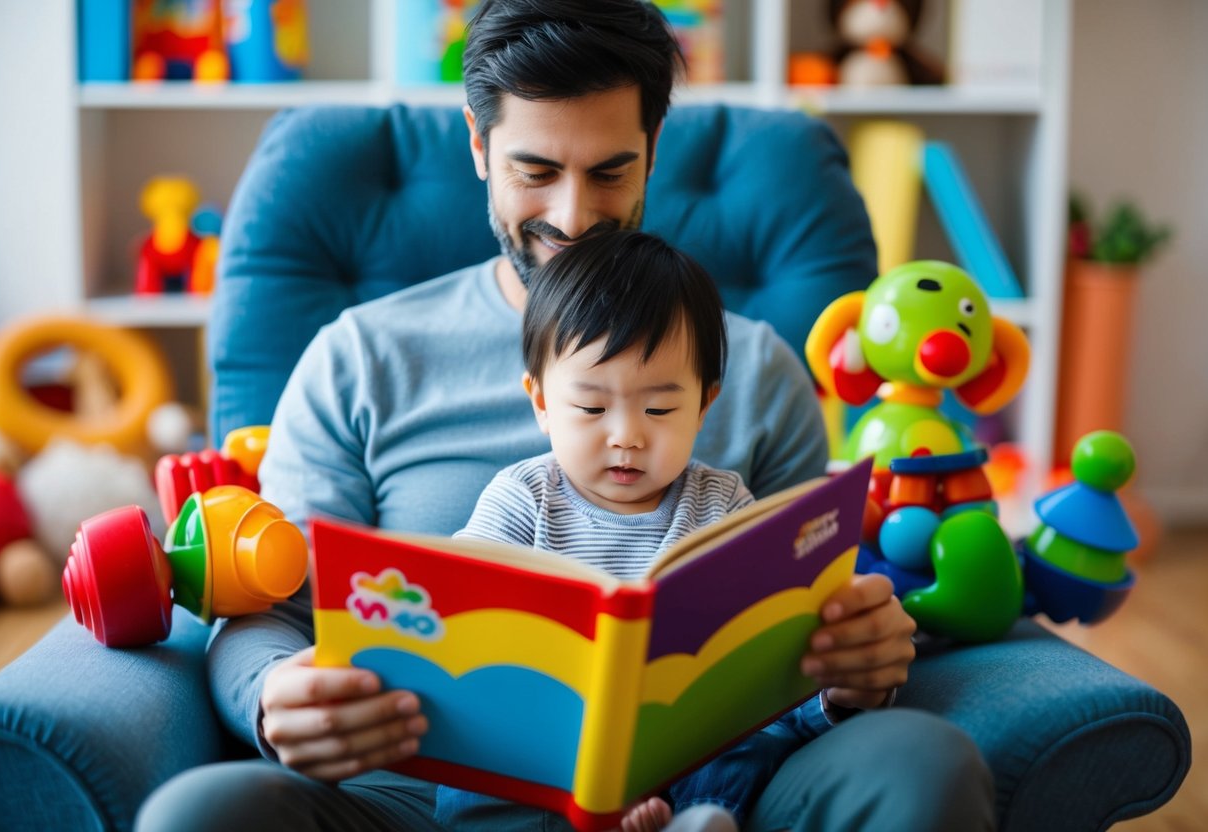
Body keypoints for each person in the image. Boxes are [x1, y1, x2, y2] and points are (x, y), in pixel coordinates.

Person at [136, 2, 994, 831]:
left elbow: (807, 617)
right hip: (422, 796)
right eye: (535, 171)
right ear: (479, 147)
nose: (574, 218)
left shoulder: (758, 367)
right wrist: (275, 695)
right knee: (201, 814)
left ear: (653, 152)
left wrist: (857, 668)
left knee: (921, 760)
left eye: (610, 170)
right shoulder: (362, 357)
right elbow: (268, 602)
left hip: (704, 793)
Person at [447, 230, 784, 832]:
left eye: (659, 410)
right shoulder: (523, 497)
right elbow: (461, 611)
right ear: (542, 402)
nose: (627, 435)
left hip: (674, 752)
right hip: (547, 744)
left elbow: (763, 647)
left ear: (704, 406)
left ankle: (695, 820)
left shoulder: (723, 502)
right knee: (475, 754)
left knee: (751, 735)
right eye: (592, 408)